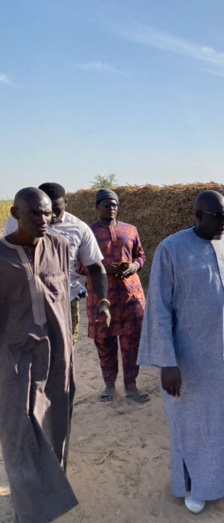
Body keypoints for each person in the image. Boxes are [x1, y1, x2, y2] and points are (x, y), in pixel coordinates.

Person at [138, 190, 224, 514]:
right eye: (218, 216)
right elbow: (158, 308)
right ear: (198, 215)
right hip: (192, 357)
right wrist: (167, 362)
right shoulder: (171, 249)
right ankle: (193, 485)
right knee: (195, 423)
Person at [0, 188, 110, 522]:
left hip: (58, 352)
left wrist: (102, 303)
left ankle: (47, 491)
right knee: (19, 428)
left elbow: (82, 279)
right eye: (34, 213)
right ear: (15, 214)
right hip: (15, 356)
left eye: (48, 213)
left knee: (56, 420)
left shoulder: (62, 246)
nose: (43, 219)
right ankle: (29, 506)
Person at [3, 182, 109, 344]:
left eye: (55, 211)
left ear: (66, 203)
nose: (49, 217)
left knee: (63, 352)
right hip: (25, 301)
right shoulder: (16, 221)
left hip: (65, 302)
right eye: (41, 211)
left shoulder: (78, 228)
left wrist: (103, 301)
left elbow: (95, 267)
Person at [83, 189, 149, 403]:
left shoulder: (130, 230)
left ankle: (131, 386)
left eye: (114, 204)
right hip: (101, 297)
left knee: (132, 343)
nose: (111, 208)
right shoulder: (88, 233)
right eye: (106, 204)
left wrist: (133, 266)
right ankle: (109, 385)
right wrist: (103, 269)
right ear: (97, 207)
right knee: (105, 341)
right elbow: (79, 265)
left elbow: (141, 256)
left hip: (130, 296)